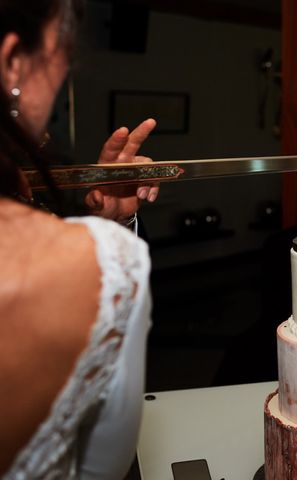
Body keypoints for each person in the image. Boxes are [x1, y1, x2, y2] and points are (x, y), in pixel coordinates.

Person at [0, 1, 158, 477]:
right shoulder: (97, 262)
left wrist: (111, 223)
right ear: (13, 60)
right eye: (62, 50)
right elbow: (102, 467)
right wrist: (107, 253)